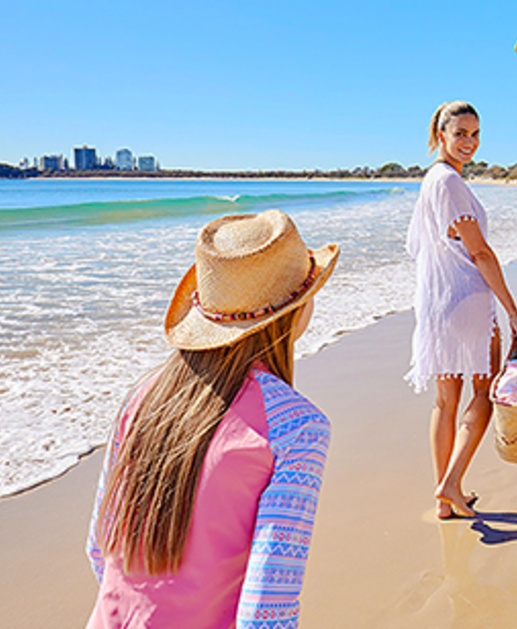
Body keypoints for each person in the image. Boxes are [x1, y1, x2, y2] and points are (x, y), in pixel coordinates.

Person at [86, 209, 338, 628]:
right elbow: (266, 611)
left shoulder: (145, 396)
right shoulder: (296, 427)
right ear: (294, 309)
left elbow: (100, 547)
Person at [406, 100, 517, 520]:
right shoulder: (451, 183)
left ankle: (444, 499)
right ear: (441, 134)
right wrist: (512, 311)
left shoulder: (430, 181)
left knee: (444, 402)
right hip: (468, 300)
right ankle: (452, 482)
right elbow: (480, 253)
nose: (469, 143)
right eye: (460, 134)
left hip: (438, 303)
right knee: (484, 394)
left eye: (475, 135)